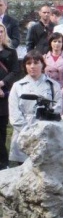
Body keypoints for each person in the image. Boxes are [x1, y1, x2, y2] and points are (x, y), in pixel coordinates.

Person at [8, 51, 63, 164]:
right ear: (24, 66)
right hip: (23, 134)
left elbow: (57, 107)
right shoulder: (17, 86)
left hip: (45, 132)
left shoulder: (53, 85)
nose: (32, 66)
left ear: (42, 64)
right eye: (28, 63)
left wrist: (42, 129)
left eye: (36, 62)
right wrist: (28, 132)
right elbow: (14, 112)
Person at [0, 23, 20, 169]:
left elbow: (15, 71)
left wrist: (2, 83)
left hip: (3, 96)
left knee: (1, 132)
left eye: (1, 31)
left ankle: (3, 163)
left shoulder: (11, 52)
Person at [43, 33, 63, 115]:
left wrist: (61, 93)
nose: (57, 44)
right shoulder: (43, 58)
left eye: (59, 41)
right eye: (54, 41)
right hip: (47, 93)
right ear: (50, 43)